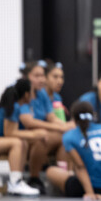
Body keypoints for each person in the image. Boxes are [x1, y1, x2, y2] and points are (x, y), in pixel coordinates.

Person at [46, 101, 101, 199]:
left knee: (51, 171)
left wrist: (90, 193)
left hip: (84, 188)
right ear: (93, 115)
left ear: (73, 118)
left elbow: (80, 167)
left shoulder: (69, 136)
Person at [19, 61, 73, 193]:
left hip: (39, 133)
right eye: (36, 76)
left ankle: (64, 178)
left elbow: (52, 117)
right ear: (26, 76)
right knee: (44, 137)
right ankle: (34, 178)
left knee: (65, 138)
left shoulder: (41, 93)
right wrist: (60, 128)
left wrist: (66, 126)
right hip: (21, 134)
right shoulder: (21, 93)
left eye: (42, 75)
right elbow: (29, 122)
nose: (41, 79)